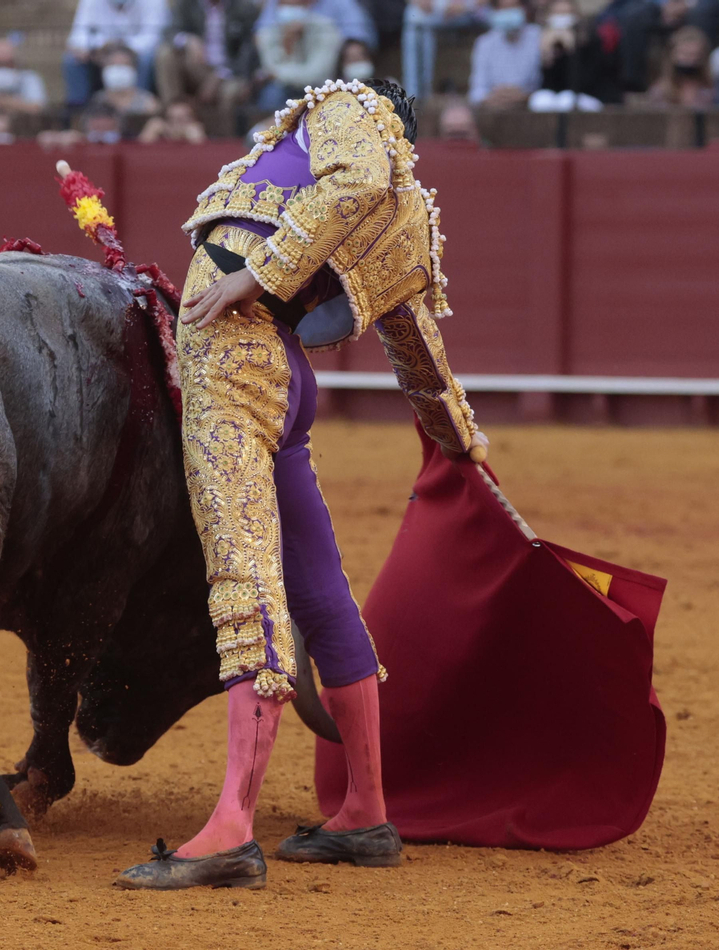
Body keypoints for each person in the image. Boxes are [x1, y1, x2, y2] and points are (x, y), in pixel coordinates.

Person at [113, 78, 485, 890]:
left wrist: (257, 274)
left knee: (244, 580)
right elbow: (420, 355)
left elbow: (354, 181)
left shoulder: (348, 109)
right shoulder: (408, 220)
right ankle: (366, 813)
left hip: (234, 363)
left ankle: (231, 830)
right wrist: (464, 446)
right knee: (320, 593)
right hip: (284, 374)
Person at [155, 0, 262, 120]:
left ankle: (222, 130)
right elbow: (168, 32)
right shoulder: (186, 4)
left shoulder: (244, 7)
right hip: (197, 66)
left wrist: (220, 75)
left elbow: (247, 54)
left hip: (229, 73)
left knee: (230, 92)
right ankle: (173, 112)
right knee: (166, 53)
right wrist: (188, 40)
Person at [65, 0, 171, 108]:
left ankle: (140, 106)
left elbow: (153, 38)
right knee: (73, 60)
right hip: (103, 52)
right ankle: (78, 110)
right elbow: (77, 36)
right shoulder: (90, 2)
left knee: (146, 59)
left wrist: (121, 49)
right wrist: (98, 48)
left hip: (136, 52)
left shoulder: (154, 2)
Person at [254, 0, 345, 112]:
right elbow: (270, 68)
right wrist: (287, 45)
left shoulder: (327, 30)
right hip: (282, 89)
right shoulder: (267, 34)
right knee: (271, 94)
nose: (291, 9)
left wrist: (279, 74)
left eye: (296, 5)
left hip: (316, 88)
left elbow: (316, 75)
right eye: (286, 5)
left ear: (308, 5)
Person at [532, 0, 624, 108]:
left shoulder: (591, 39)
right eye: (558, 14)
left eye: (566, 13)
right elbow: (548, 86)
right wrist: (548, 56)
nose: (562, 18)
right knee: (541, 99)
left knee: (567, 100)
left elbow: (585, 82)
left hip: (592, 96)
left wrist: (572, 51)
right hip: (560, 97)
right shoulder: (546, 41)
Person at [403, 0, 491, 100]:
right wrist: (443, 7)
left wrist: (465, 6)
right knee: (414, 18)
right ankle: (418, 95)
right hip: (436, 13)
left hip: (473, 14)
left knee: (501, 19)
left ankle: (482, 94)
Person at [468, 0, 540, 108]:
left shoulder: (539, 36)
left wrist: (525, 97)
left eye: (513, 7)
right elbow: (476, 90)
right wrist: (493, 97)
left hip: (532, 107)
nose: (508, 12)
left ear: (524, 8)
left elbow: (545, 88)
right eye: (504, 8)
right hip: (494, 107)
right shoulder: (484, 43)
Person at [644, 24, 714, 107]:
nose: (691, 61)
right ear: (672, 55)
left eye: (696, 55)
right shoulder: (660, 91)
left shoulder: (711, 91)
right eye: (685, 54)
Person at [89, 42, 163, 115]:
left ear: (134, 69)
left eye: (124, 64)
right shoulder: (96, 102)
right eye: (112, 64)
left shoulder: (149, 104)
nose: (118, 69)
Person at [140, 96, 209, 140]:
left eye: (181, 120)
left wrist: (199, 141)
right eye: (171, 119)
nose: (176, 125)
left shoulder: (206, 140)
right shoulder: (159, 138)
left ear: (196, 120)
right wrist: (148, 135)